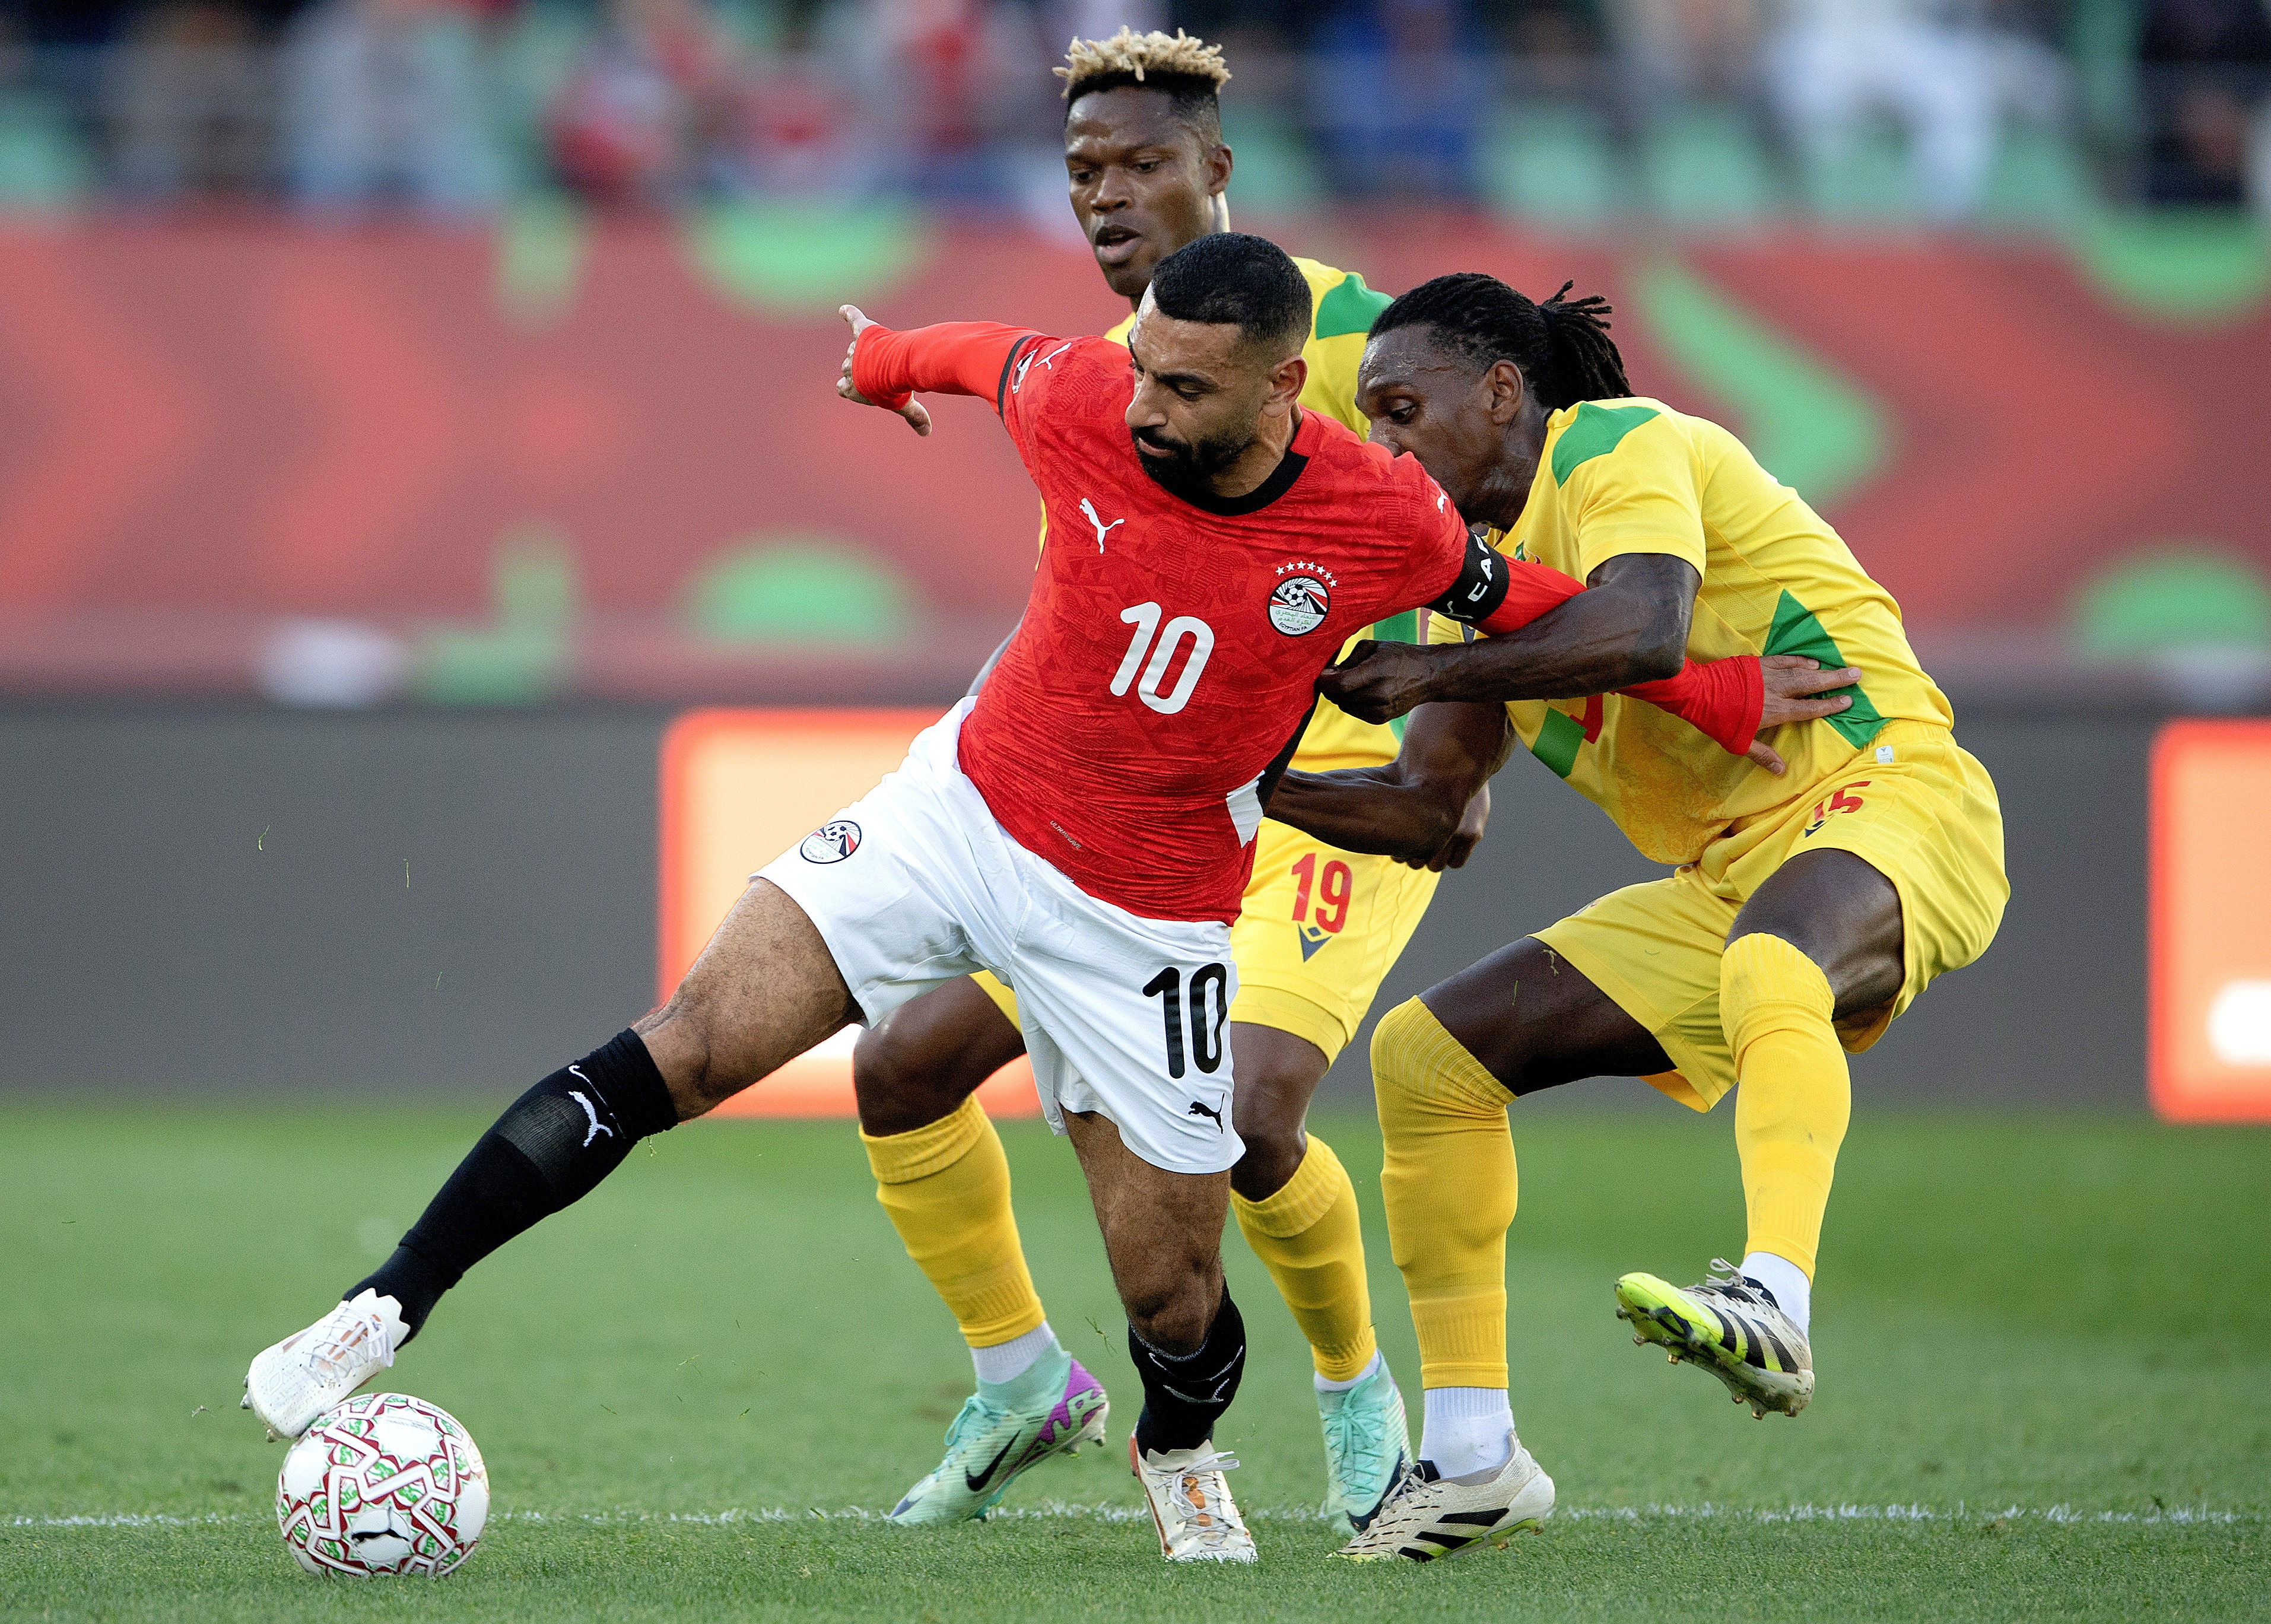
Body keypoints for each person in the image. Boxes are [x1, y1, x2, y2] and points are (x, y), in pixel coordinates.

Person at [240, 231, 1773, 1564]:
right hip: (959, 812)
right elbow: (990, 354)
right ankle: (380, 1311)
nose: (1145, 400)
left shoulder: (1386, 522)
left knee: (1175, 1300)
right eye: (1144, 368)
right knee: (690, 1042)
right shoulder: (1086, 395)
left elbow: (1561, 617)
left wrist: (1724, 689)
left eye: (1183, 384)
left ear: (1277, 387)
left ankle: (1174, 1448)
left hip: (1151, 914)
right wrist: (885, 362)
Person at [1264, 272, 2009, 1560]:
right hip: (1724, 872)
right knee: (1425, 1059)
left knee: (1775, 963)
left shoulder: (1618, 444)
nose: (1383, 443)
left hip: (1890, 791)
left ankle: (1773, 1295)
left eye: (1404, 409)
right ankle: (1473, 1455)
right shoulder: (1462, 589)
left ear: (1503, 393)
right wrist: (1249, 783)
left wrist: (1429, 668)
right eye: (1369, 418)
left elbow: (1644, 624)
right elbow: (1429, 810)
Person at [848, 24, 1456, 1536]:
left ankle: (1356, 1392)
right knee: (903, 1063)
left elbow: (1482, 531)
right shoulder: (1115, 369)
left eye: (1142, 167)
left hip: (1319, 794)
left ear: (1221, 173)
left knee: (1249, 1120)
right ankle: (1018, 1380)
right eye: (1084, 172)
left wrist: (1469, 719)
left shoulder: (1349, 336)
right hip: (1116, 828)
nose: (1107, 198)